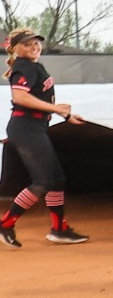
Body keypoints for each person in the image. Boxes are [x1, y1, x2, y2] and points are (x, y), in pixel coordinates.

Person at [2, 28, 89, 248]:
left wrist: (62, 113)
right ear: (15, 48)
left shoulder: (33, 66)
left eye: (36, 43)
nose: (34, 47)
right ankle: (5, 223)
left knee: (56, 180)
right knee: (43, 182)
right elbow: (19, 97)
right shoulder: (24, 66)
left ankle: (58, 229)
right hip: (26, 128)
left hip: (32, 127)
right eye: (27, 44)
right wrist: (58, 110)